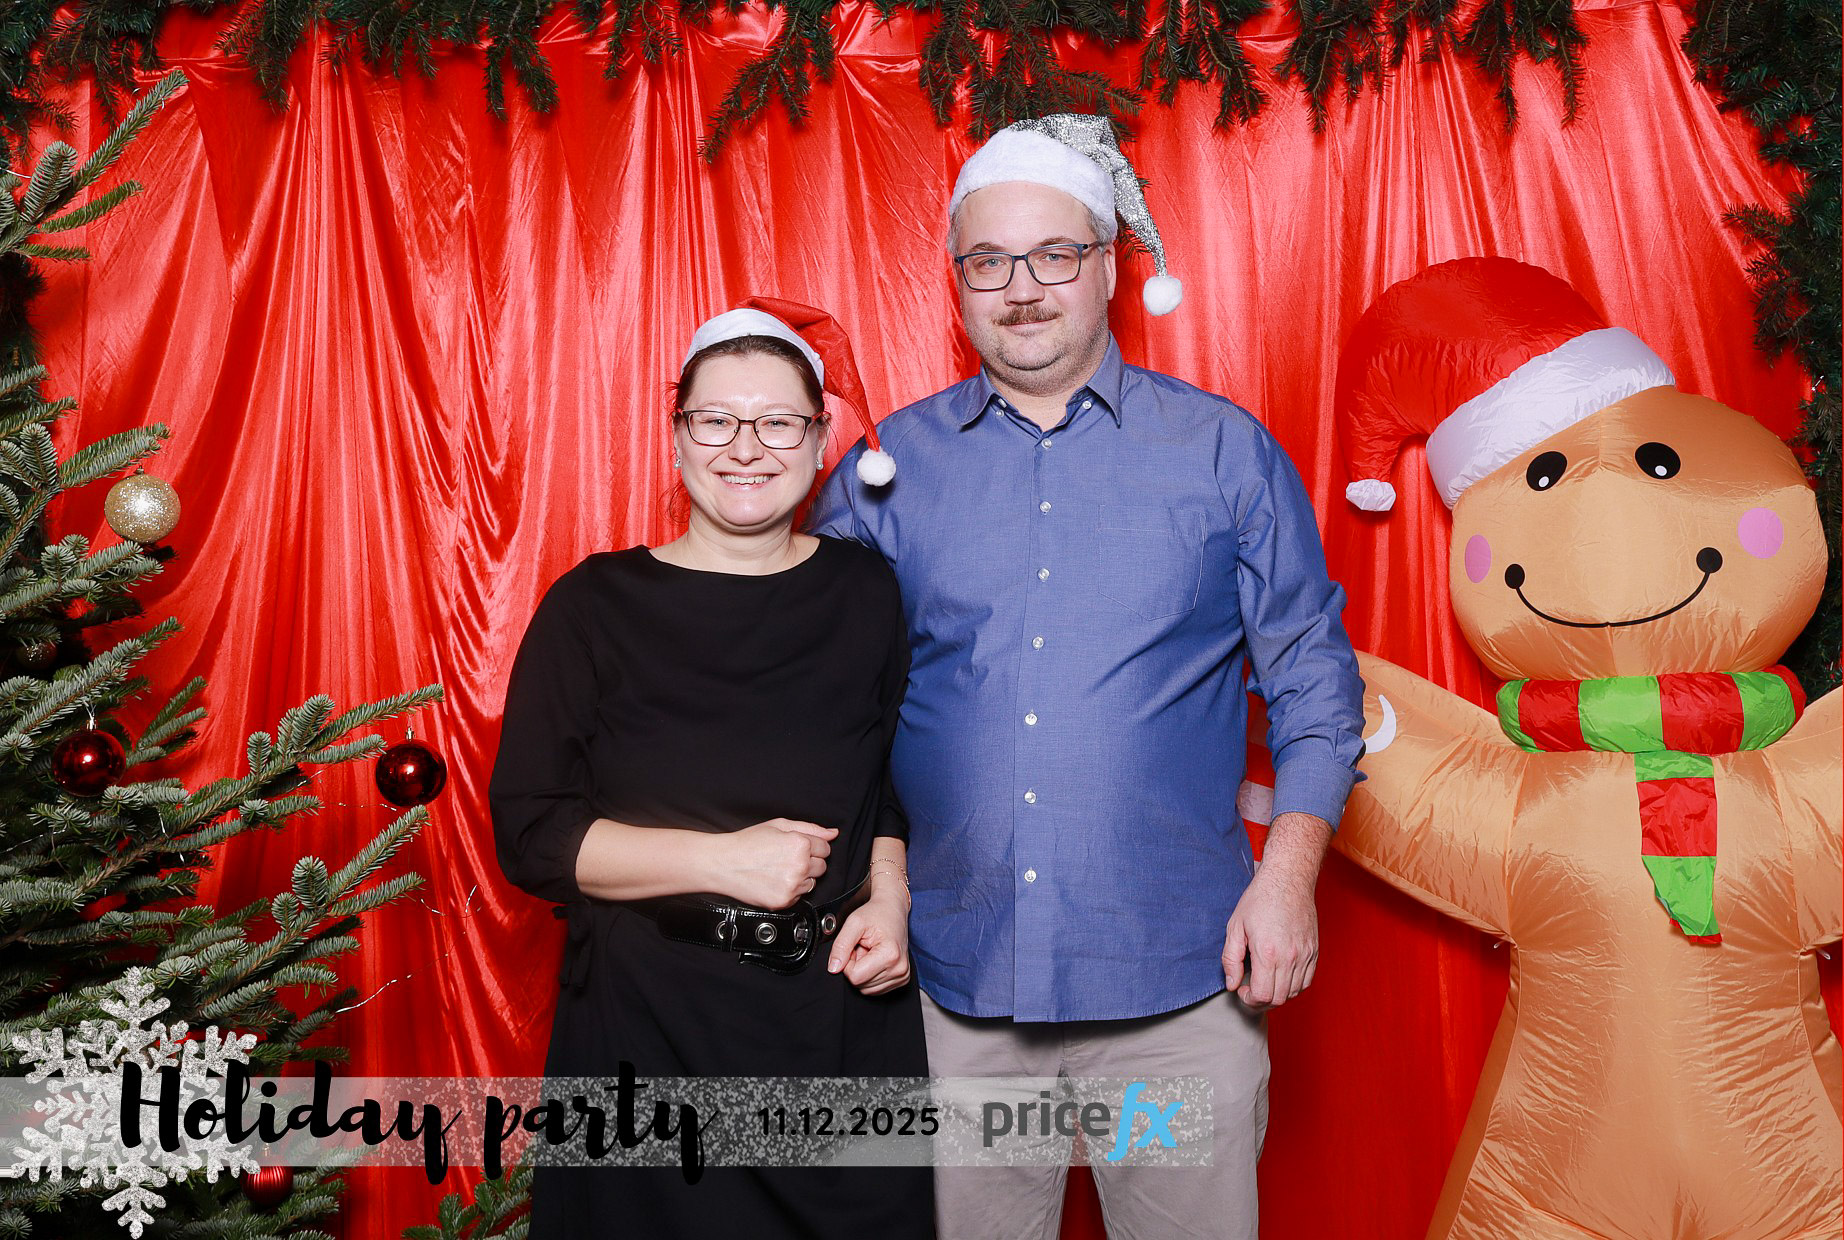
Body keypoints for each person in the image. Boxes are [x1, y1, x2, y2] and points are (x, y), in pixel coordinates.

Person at [809, 116, 1366, 1240]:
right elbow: (831, 716)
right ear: (957, 281)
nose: (1022, 289)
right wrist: (882, 885)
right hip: (960, 992)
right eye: (989, 262)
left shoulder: (1222, 452)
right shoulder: (883, 478)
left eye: (1054, 255)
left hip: (1175, 991)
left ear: (1108, 266)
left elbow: (1313, 682)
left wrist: (1289, 876)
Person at [491, 300, 932, 1239]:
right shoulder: (592, 606)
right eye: (716, 420)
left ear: (821, 442)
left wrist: (890, 898)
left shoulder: (866, 592)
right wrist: (722, 861)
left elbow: (890, 785)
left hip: (840, 1029)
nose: (746, 448)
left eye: (778, 423)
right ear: (677, 437)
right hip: (645, 1029)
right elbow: (531, 834)